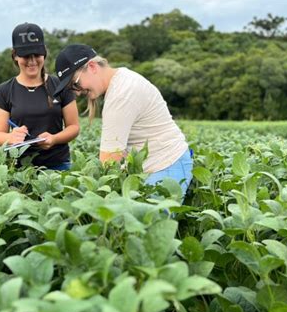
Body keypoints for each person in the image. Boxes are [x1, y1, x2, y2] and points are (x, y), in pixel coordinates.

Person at [53, 44, 193, 198]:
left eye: (75, 84)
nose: (77, 93)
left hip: (166, 166)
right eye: (72, 89)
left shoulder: (120, 95)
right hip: (165, 163)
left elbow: (109, 163)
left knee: (153, 221)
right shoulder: (122, 78)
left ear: (92, 67)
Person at [0, 23, 79, 170]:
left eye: (37, 55)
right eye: (26, 56)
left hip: (58, 166)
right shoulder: (4, 90)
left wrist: (54, 139)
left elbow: (74, 127)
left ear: (44, 53)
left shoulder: (60, 85)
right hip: (18, 169)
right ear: (15, 56)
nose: (32, 61)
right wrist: (11, 138)